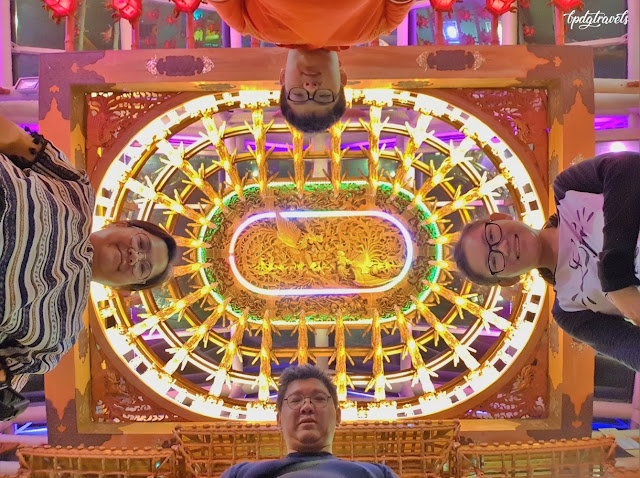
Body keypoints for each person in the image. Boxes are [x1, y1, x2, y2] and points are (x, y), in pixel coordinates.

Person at [0, 114, 178, 414]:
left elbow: (7, 383)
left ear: (124, 288)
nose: (135, 256)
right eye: (141, 244)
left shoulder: (60, 335)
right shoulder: (75, 189)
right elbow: (16, 140)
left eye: (143, 268)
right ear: (122, 224)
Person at [454, 151, 640, 372]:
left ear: (500, 218)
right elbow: (629, 349)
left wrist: (615, 280)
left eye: (492, 235)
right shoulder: (569, 311)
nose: (503, 247)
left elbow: (627, 167)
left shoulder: (569, 189)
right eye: (494, 262)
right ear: (508, 280)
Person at [207, 0, 414, 133]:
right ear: (342, 79)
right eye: (323, 96)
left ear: (282, 79)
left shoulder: (246, 22)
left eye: (298, 95)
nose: (311, 87)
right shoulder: (378, 24)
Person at [221, 364, 399, 478]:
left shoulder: (378, 474)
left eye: (319, 399)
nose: (307, 407)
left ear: (338, 416)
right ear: (279, 420)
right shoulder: (239, 475)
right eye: (295, 400)